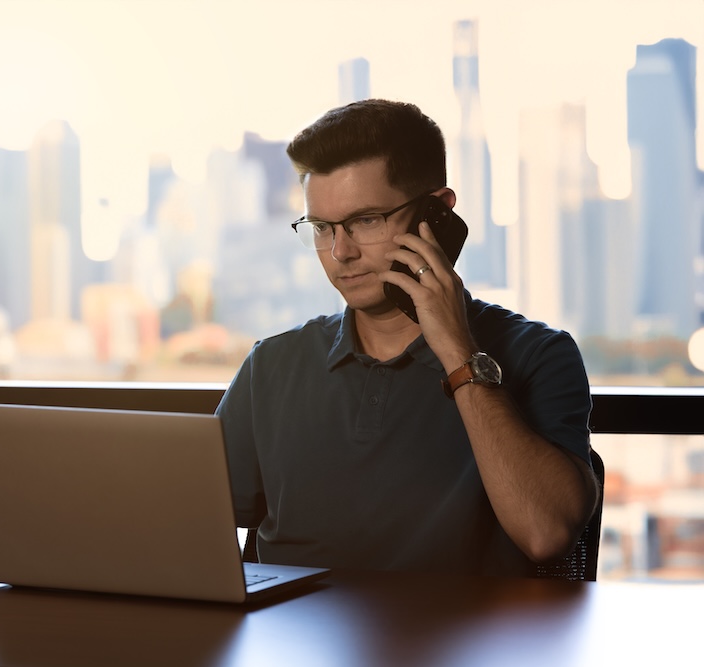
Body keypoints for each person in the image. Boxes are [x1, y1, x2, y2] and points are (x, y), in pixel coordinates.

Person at [215, 99, 599, 577]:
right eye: (321, 227)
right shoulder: (271, 366)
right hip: (295, 648)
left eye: (366, 220)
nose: (340, 252)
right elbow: (182, 524)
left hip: (460, 649)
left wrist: (459, 351)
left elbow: (547, 534)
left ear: (436, 214)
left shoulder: (539, 354)